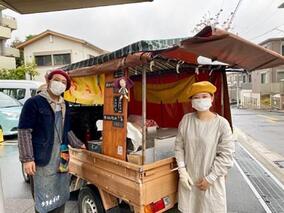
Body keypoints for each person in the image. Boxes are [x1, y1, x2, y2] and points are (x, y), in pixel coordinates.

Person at [18, 69, 85, 213]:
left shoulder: (65, 104)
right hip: (42, 157)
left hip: (62, 155)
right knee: (44, 196)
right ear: (48, 81)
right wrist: (27, 159)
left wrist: (78, 143)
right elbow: (24, 131)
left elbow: (66, 129)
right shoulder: (34, 103)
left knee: (61, 191)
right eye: (57, 80)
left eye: (63, 82)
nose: (60, 84)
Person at [175, 81, 235, 213]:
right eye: (196, 97)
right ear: (191, 101)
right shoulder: (186, 120)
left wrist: (211, 178)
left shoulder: (222, 124)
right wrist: (182, 172)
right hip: (190, 181)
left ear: (212, 98)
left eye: (204, 96)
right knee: (189, 209)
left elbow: (226, 155)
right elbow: (179, 147)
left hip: (211, 183)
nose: (200, 100)